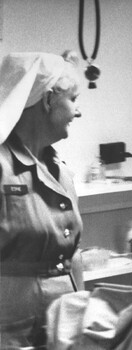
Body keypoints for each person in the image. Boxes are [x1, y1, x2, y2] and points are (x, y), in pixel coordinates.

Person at [0, 51, 84, 348]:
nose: (78, 112)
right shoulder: (2, 166)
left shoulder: (61, 172)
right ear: (48, 100)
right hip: (13, 327)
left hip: (62, 323)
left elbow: (74, 254)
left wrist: (82, 314)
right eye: (73, 100)